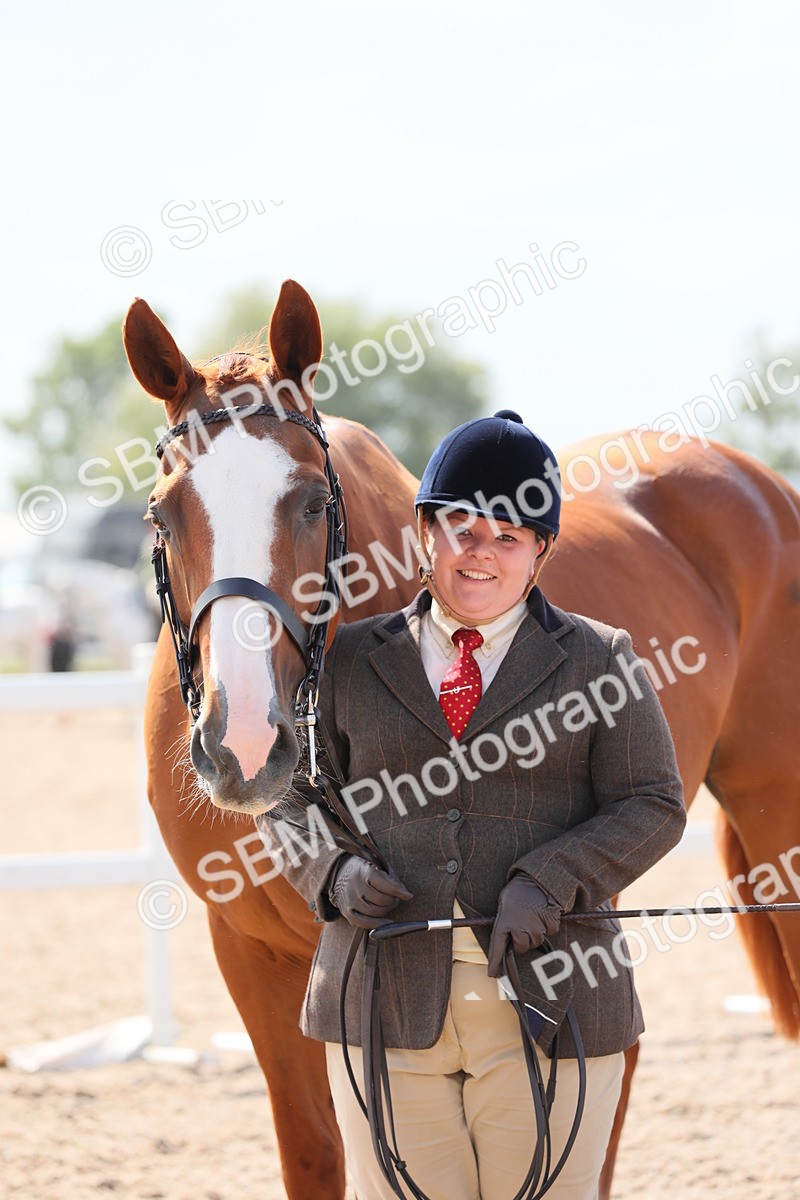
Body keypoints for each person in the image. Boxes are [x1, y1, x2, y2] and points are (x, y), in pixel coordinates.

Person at [258, 410, 686, 1200]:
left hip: (553, 1000)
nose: (481, 551)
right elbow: (288, 795)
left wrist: (553, 879)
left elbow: (653, 803)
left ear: (540, 550)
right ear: (426, 532)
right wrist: (333, 874)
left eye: (508, 537)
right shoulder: (346, 659)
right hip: (381, 1004)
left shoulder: (601, 660)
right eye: (462, 529)